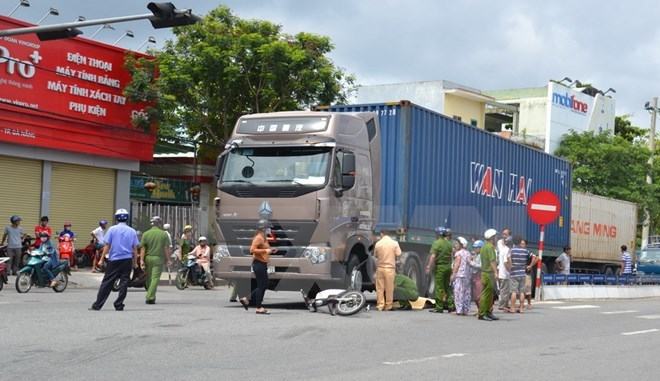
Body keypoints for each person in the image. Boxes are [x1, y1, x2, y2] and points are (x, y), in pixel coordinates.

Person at [90, 209, 139, 311]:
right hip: (127, 260)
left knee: (107, 282)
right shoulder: (132, 231)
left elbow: (107, 245)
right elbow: (134, 249)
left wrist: (101, 259)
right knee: (124, 282)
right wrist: (135, 263)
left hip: (114, 260)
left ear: (116, 218)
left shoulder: (112, 229)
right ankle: (119, 304)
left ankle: (98, 305)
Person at [239, 220, 277, 315]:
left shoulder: (263, 238)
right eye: (268, 228)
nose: (270, 230)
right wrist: (265, 250)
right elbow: (252, 250)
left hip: (262, 264)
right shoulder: (259, 237)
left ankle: (248, 300)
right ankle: (258, 307)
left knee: (263, 285)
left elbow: (264, 249)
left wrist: (271, 250)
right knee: (262, 286)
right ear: (263, 228)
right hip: (258, 264)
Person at [140, 216, 172, 305]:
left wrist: (141, 260)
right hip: (158, 258)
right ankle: (150, 297)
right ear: (160, 224)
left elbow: (143, 248)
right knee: (155, 278)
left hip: (148, 258)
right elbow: (166, 248)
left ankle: (151, 296)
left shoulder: (146, 234)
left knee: (149, 278)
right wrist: (168, 259)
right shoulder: (163, 234)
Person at [426, 226, 455, 313]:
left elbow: (433, 256)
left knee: (439, 287)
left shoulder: (436, 243)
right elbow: (451, 256)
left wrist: (428, 267)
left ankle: (439, 307)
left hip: (440, 268)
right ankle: (450, 305)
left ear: (438, 234)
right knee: (447, 287)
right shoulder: (449, 244)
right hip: (448, 267)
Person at [373, 230, 402, 311]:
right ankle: (388, 305)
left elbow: (375, 255)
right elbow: (399, 254)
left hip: (380, 268)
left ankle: (380, 305)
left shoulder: (378, 244)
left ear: (382, 234)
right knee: (389, 288)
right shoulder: (394, 243)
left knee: (379, 288)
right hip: (390, 269)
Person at [478, 229, 499, 321]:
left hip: (484, 273)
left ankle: (488, 312)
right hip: (488, 273)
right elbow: (492, 261)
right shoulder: (490, 247)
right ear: (492, 237)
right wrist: (496, 272)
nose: (496, 238)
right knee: (486, 294)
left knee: (490, 295)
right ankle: (482, 313)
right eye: (495, 237)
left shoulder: (483, 247)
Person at [509, 236, 533, 313]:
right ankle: (521, 308)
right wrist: (530, 265)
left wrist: (510, 266)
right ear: (520, 242)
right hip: (522, 273)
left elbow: (508, 259)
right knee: (522, 292)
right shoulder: (525, 251)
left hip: (514, 273)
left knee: (514, 291)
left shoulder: (511, 250)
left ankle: (512, 308)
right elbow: (535, 257)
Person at [451, 236, 472, 316]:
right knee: (466, 293)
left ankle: (459, 310)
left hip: (459, 275)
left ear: (462, 244)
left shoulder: (458, 253)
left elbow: (457, 265)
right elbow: (470, 263)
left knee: (458, 292)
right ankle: (465, 309)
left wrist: (453, 274)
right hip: (467, 276)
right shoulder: (468, 253)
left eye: (457, 244)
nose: (455, 245)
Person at [497, 235, 513, 312]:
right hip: (504, 273)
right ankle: (502, 305)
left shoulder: (503, 249)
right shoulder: (507, 250)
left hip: (501, 272)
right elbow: (506, 261)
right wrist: (509, 270)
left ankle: (505, 305)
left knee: (503, 290)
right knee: (504, 291)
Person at [521, 239, 537, 310]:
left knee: (527, 289)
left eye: (523, 244)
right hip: (520, 273)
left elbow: (536, 258)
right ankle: (522, 304)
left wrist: (530, 265)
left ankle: (529, 303)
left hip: (526, 273)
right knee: (522, 289)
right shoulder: (519, 252)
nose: (521, 245)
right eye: (520, 244)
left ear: (525, 245)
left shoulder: (527, 252)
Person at [469, 240, 484, 312]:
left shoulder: (482, 256)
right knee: (475, 295)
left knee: (479, 294)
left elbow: (481, 266)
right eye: (474, 248)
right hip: (474, 276)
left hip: (479, 276)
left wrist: (471, 263)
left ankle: (481, 310)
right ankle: (479, 310)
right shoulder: (476, 255)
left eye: (476, 248)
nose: (475, 249)